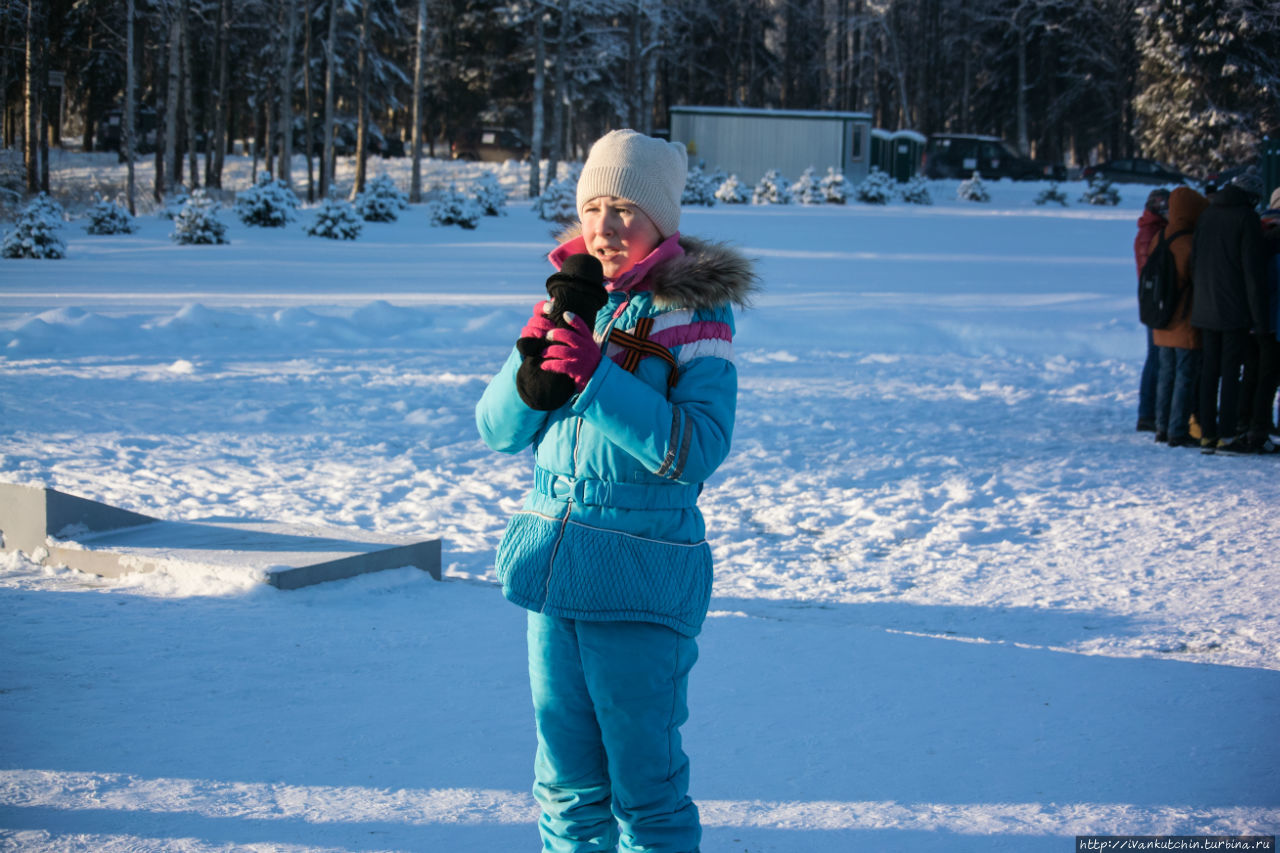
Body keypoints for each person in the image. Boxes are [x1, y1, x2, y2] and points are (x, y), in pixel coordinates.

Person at [475, 128, 758, 853]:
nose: (604, 226)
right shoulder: (575, 295)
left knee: (646, 791)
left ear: (663, 218)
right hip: (555, 570)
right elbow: (497, 431)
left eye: (626, 209)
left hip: (639, 574)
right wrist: (530, 360)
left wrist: (600, 379)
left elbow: (696, 449)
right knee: (565, 788)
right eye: (594, 205)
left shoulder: (694, 315)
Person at [1190, 169, 1270, 453]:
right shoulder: (1246, 218)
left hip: (1205, 305)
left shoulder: (1208, 214)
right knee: (1230, 371)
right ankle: (1227, 434)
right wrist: (1259, 319)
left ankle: (1207, 434)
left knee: (1209, 371)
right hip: (1233, 308)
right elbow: (1252, 272)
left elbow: (1195, 259)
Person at [1151, 186, 1209, 447]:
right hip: (1184, 319)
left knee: (1166, 375)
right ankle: (1177, 430)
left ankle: (1161, 426)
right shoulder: (1190, 242)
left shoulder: (1159, 237)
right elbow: (1199, 280)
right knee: (1185, 376)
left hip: (1161, 319)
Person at [1134, 188, 1170, 433]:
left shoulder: (1151, 231)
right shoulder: (1152, 233)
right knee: (1156, 356)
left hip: (1152, 300)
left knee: (1155, 356)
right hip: (1155, 301)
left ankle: (1149, 411)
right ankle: (1148, 412)